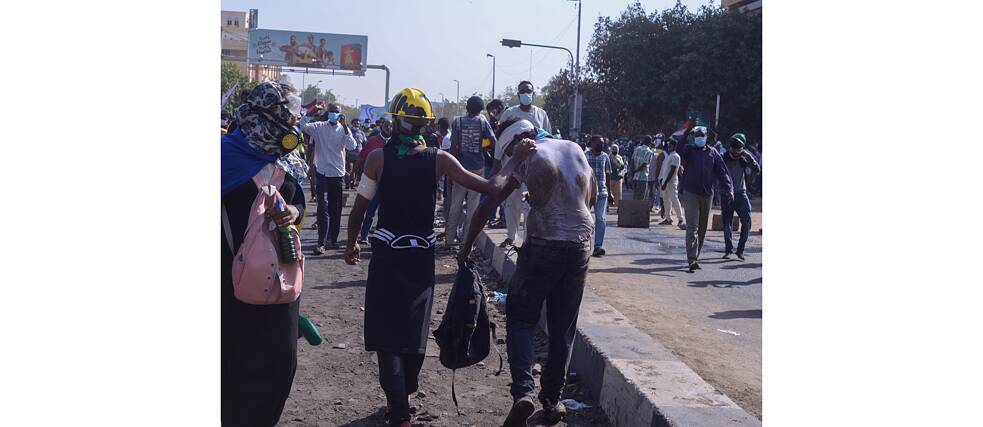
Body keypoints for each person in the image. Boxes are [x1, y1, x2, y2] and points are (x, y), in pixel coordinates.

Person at [344, 88, 536, 427]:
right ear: (426, 125)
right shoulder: (439, 160)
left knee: (386, 333)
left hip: (387, 257)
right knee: (413, 331)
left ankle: (399, 409)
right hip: (420, 259)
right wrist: (515, 159)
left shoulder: (377, 159)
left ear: (395, 121)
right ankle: (404, 398)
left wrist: (351, 244)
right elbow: (492, 188)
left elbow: (359, 210)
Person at [457, 118, 595, 426]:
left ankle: (523, 392)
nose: (510, 156)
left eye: (509, 150)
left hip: (544, 244)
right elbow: (591, 197)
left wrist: (466, 247)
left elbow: (489, 202)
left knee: (521, 318)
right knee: (562, 327)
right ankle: (553, 400)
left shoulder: (527, 153)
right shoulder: (574, 148)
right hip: (580, 245)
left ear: (519, 139)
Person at [221, 82, 306, 427]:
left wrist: (293, 214)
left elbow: (299, 202)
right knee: (232, 368)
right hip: (228, 286)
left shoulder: (285, 158)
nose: (293, 123)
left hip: (279, 283)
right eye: (287, 113)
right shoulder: (223, 157)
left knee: (280, 363)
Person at [496, 81, 552, 247]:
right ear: (518, 94)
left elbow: (548, 137)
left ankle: (528, 240)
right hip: (512, 165)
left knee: (530, 203)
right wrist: (497, 162)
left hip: (534, 166)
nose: (526, 94)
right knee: (511, 202)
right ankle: (511, 236)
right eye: (523, 91)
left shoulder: (541, 114)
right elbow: (500, 139)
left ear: (533, 93)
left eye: (528, 91)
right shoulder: (509, 113)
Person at [300, 103, 357, 254]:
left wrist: (345, 128)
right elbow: (303, 125)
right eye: (331, 111)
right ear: (328, 113)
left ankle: (333, 239)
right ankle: (321, 242)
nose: (334, 114)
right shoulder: (319, 127)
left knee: (335, 208)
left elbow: (352, 146)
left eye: (336, 112)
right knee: (322, 207)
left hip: (337, 175)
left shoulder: (344, 130)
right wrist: (311, 110)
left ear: (340, 114)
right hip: (323, 174)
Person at [679, 125, 734, 272]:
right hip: (691, 193)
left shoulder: (713, 153)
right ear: (694, 137)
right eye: (697, 136)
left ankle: (695, 256)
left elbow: (723, 172)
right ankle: (691, 259)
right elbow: (679, 148)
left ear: (706, 137)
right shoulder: (689, 150)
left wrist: (729, 188)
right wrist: (686, 133)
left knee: (702, 228)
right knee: (692, 227)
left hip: (707, 194)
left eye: (701, 136)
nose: (699, 138)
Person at [445, 97, 497, 247]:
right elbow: (493, 141)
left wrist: (450, 170)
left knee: (456, 204)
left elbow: (454, 147)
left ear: (467, 107)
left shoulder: (458, 122)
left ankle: (449, 240)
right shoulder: (483, 121)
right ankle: (466, 242)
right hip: (478, 168)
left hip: (460, 169)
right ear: (480, 109)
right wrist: (484, 148)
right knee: (472, 207)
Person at [721, 133, 760, 260]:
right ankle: (728, 249)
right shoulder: (724, 157)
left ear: (742, 148)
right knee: (727, 222)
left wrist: (750, 181)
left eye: (738, 148)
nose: (735, 151)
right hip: (726, 193)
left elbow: (757, 169)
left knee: (747, 221)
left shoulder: (746, 156)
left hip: (741, 193)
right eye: (733, 148)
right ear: (730, 147)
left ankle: (740, 249)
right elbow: (716, 173)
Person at [356, 119, 392, 243]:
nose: (389, 128)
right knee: (370, 210)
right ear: (381, 127)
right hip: (374, 181)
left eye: (391, 126)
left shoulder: (396, 142)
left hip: (390, 182)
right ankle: (364, 235)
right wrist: (353, 173)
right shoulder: (372, 141)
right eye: (386, 125)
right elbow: (361, 157)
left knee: (387, 211)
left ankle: (382, 235)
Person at [585, 135, 612, 257]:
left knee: (601, 219)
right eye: (598, 143)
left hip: (602, 192)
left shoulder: (605, 156)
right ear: (592, 143)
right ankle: (584, 244)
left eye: (602, 143)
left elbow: (608, 174)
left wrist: (610, 192)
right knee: (585, 218)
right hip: (588, 193)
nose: (601, 145)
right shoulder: (585, 156)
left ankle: (598, 246)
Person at [658, 137, 684, 227]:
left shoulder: (676, 156)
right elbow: (665, 170)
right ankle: (668, 218)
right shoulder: (669, 156)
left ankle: (680, 219)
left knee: (674, 199)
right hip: (665, 181)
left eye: (671, 145)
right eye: (668, 145)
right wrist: (662, 180)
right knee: (666, 200)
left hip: (671, 182)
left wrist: (665, 182)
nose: (669, 147)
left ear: (674, 146)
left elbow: (673, 170)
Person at [629, 135, 655, 200]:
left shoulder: (637, 149)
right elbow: (644, 165)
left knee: (635, 196)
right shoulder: (649, 152)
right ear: (650, 143)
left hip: (635, 177)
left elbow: (632, 162)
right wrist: (635, 171)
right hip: (643, 178)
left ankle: (634, 207)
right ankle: (638, 207)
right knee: (641, 198)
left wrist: (632, 173)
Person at [647, 134, 665, 212]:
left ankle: (653, 206)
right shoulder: (657, 153)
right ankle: (653, 206)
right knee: (654, 192)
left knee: (652, 192)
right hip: (653, 176)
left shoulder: (658, 153)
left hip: (652, 176)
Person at [348, 118, 366, 189]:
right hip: (349, 155)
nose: (356, 124)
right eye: (355, 123)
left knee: (357, 170)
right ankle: (348, 183)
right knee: (350, 169)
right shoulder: (348, 132)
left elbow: (364, 143)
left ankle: (353, 184)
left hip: (359, 155)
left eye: (358, 123)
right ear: (352, 124)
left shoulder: (362, 133)